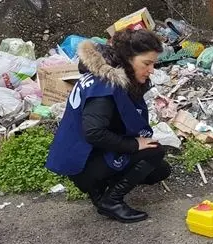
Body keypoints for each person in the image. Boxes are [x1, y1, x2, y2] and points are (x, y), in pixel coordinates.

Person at [46, 29, 170, 223]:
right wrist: (134, 145)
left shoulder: (108, 77)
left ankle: (102, 188)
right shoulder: (104, 86)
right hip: (82, 164)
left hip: (88, 154)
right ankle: (109, 200)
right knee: (154, 152)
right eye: (147, 63)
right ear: (128, 59)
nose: (152, 70)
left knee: (160, 170)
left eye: (154, 63)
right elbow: (94, 132)